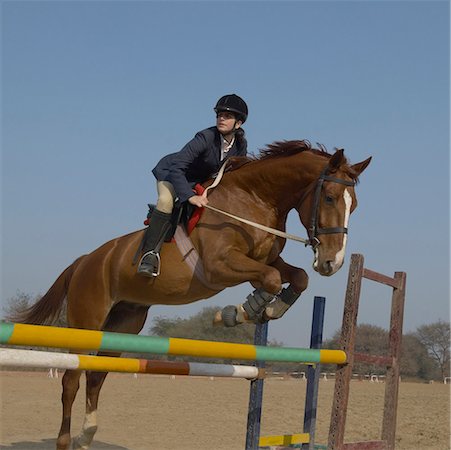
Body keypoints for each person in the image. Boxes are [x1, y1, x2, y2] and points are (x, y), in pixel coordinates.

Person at [137, 94, 249, 277]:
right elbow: (178, 166)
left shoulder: (240, 145)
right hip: (173, 173)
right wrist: (189, 196)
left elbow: (234, 174)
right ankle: (149, 255)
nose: (221, 118)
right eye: (219, 114)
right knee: (166, 202)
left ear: (239, 123)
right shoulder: (205, 137)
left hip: (198, 180)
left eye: (227, 116)